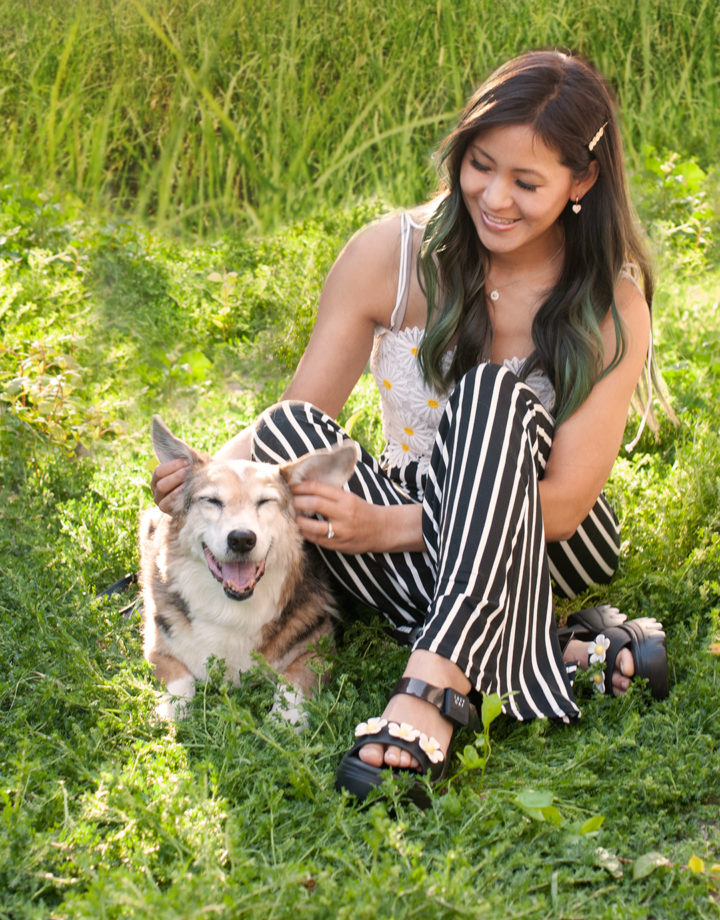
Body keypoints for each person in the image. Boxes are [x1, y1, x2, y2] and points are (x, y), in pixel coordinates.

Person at [151, 50, 671, 804]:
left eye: (527, 183)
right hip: (411, 524)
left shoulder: (608, 301)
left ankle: (429, 695)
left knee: (492, 393)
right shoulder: (386, 254)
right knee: (294, 431)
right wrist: (198, 483)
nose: (495, 197)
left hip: (550, 533)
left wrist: (385, 527)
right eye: (480, 165)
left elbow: (563, 505)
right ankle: (559, 652)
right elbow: (293, 426)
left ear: (581, 183)